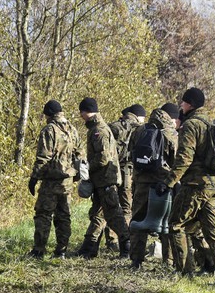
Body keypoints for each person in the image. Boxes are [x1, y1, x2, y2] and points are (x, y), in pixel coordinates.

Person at [167, 87, 215, 285]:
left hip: (195, 185)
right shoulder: (212, 125)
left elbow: (184, 158)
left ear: (189, 104)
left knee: (176, 224)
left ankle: (184, 272)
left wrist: (169, 181)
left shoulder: (191, 125)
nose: (180, 106)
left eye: (182, 102)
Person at [75, 97, 130, 259]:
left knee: (114, 215)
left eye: (81, 112)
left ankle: (127, 247)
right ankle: (89, 248)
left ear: (85, 111)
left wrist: (86, 168)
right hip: (102, 180)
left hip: (106, 179)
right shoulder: (96, 128)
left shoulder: (99, 130)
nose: (80, 116)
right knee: (97, 214)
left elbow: (104, 157)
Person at [126, 103, 179, 269]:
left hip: (141, 182)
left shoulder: (139, 131)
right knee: (166, 221)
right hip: (162, 185)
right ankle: (168, 261)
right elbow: (176, 160)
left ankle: (136, 260)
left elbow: (131, 153)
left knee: (138, 218)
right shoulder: (171, 134)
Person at [27, 100, 82, 259]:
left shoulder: (49, 130)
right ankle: (61, 251)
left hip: (51, 182)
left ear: (48, 114)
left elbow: (43, 158)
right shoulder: (72, 129)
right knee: (63, 216)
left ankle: (39, 250)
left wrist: (34, 178)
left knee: (43, 215)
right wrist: (75, 175)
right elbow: (79, 155)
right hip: (67, 181)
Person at [105, 104, 145, 251]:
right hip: (129, 171)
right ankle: (126, 240)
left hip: (111, 170)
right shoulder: (140, 129)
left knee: (110, 204)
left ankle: (111, 239)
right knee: (127, 207)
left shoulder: (113, 126)